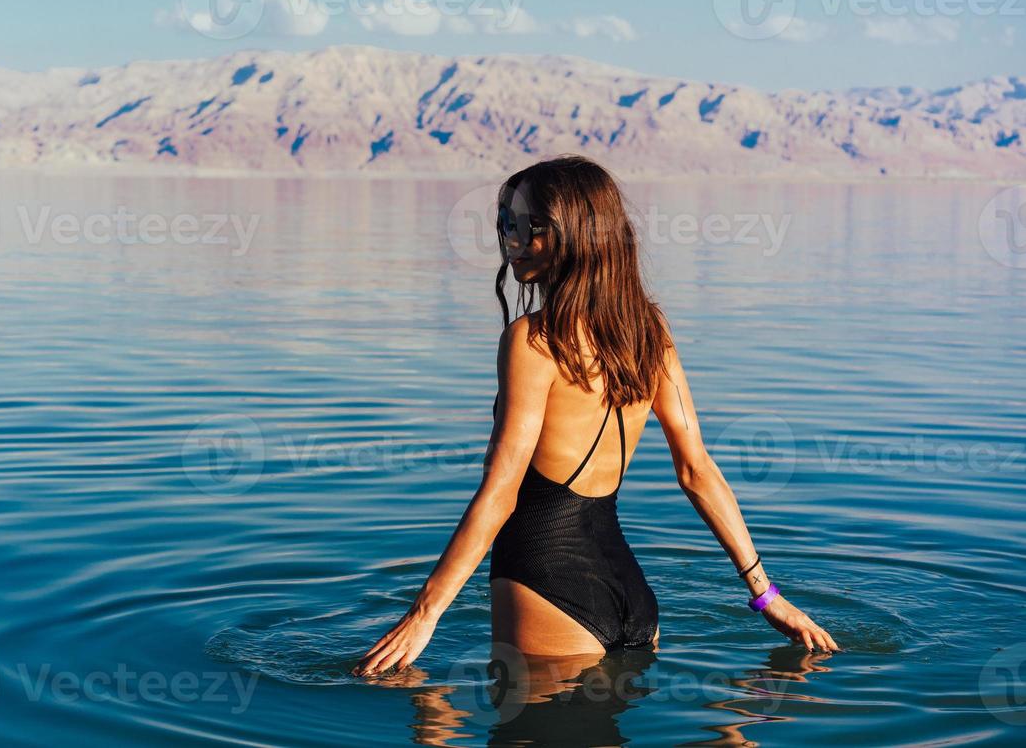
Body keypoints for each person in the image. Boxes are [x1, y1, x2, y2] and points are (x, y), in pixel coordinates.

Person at [356, 156, 839, 676]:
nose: (511, 241)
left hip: (546, 586)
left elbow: (501, 490)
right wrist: (768, 598)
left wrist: (425, 612)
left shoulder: (532, 342)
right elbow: (697, 471)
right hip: (632, 598)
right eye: (503, 224)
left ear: (573, 235)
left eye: (527, 227)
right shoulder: (649, 332)